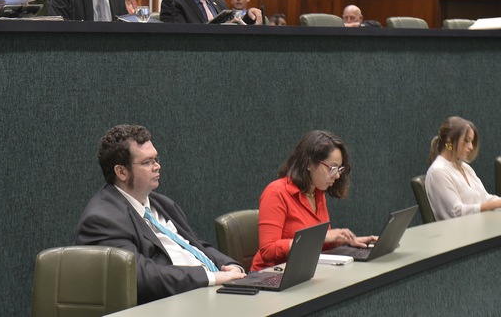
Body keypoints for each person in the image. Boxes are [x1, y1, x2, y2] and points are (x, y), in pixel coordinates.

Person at [74, 124, 246, 304]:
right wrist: (210, 277)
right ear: (121, 172)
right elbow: (138, 275)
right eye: (147, 162)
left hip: (209, 292)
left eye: (156, 159)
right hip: (172, 302)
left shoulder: (163, 204)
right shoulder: (102, 219)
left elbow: (196, 245)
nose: (157, 166)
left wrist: (229, 265)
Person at [251, 130, 377, 271]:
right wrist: (321, 237)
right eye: (332, 168)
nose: (337, 176)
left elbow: (319, 245)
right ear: (310, 163)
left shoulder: (318, 193)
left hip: (305, 271)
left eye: (339, 169)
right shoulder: (276, 192)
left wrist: (344, 242)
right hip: (270, 275)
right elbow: (268, 251)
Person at [425, 116, 501, 221]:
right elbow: (456, 213)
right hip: (462, 230)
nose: (471, 147)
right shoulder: (437, 171)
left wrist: (497, 203)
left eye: (471, 142)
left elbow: (485, 198)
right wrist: (495, 204)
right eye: (467, 141)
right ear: (450, 140)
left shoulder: (465, 167)